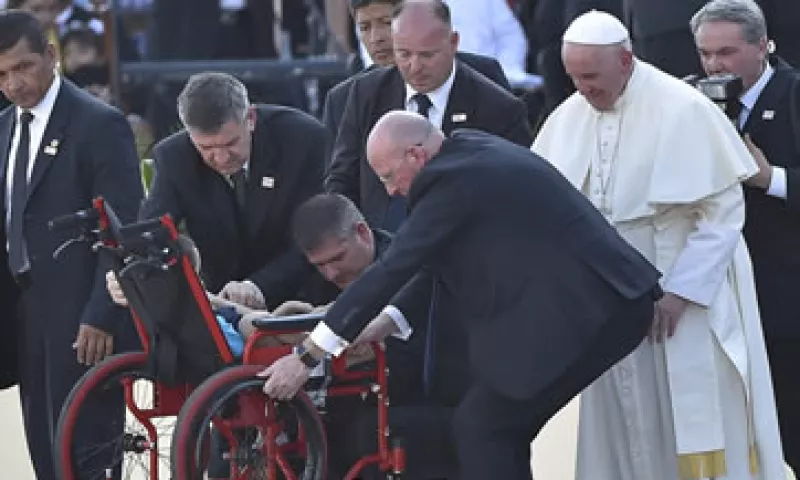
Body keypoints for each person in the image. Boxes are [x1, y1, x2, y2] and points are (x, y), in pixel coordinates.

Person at [260, 110, 663, 480]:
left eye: (388, 177)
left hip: (598, 306)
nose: (392, 191)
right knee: (489, 426)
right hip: (598, 300)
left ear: (416, 155)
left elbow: (393, 267)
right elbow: (431, 267)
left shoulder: (449, 183)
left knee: (486, 427)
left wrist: (308, 355)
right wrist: (386, 322)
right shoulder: (467, 153)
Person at [532, 9, 786, 480]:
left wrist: (680, 293)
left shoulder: (683, 109)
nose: (583, 89)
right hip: (607, 300)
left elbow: (722, 214)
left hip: (681, 286)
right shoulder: (567, 117)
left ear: (625, 61)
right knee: (618, 421)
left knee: (688, 410)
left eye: (592, 77)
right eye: (574, 78)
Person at [0, 10, 143, 480]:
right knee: (44, 450)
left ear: (51, 55)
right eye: (1, 74)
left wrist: (101, 312)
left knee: (86, 453)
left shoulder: (99, 124)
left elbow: (122, 226)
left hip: (84, 314)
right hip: (25, 312)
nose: (14, 84)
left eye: (23, 67)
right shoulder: (4, 128)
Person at [692, 0, 800, 472]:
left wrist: (770, 178)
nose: (715, 65)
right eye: (705, 53)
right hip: (724, 299)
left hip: (787, 302)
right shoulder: (693, 103)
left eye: (727, 52)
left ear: (763, 46)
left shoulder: (794, 95)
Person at [327, 0, 532, 232]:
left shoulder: (497, 107)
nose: (415, 67)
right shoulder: (365, 94)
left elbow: (515, 192)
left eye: (426, 55)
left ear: (453, 43)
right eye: (404, 54)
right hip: (382, 243)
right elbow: (342, 181)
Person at [140, 72, 329, 311]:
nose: (221, 158)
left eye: (231, 143)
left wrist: (258, 285)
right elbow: (152, 233)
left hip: (303, 298)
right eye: (206, 147)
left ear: (250, 118)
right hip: (222, 301)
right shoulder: (173, 157)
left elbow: (319, 234)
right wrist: (133, 271)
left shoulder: (303, 140)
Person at [321, 0, 511, 143]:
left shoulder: (483, 75)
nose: (376, 38)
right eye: (364, 27)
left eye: (386, 23)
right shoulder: (345, 99)